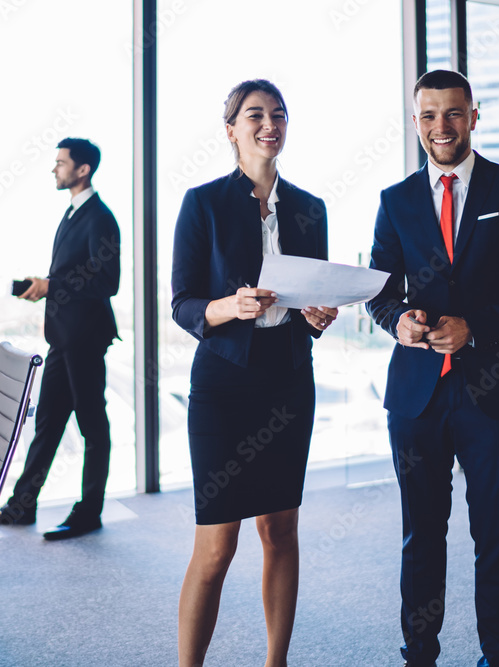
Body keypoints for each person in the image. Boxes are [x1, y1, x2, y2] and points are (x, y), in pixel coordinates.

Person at [366, 70, 499, 667]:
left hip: (494, 394)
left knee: (496, 539)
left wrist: (475, 326)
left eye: (452, 113)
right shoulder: (395, 201)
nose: (440, 127)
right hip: (417, 398)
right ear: (417, 122)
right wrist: (397, 319)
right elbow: (380, 290)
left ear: (474, 116)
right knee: (420, 535)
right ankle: (419, 654)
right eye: (428, 116)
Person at [171, 79, 336, 667]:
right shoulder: (203, 203)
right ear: (231, 129)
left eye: (279, 114)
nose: (270, 123)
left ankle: (276, 662)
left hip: (288, 381)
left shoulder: (311, 208)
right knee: (217, 546)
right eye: (255, 115)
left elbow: (311, 300)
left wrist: (319, 316)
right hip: (223, 386)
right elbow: (183, 302)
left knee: (280, 531)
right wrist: (229, 307)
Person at [0, 137, 121, 541]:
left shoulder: (99, 218)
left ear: (82, 169)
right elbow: (75, 275)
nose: (55, 169)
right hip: (63, 339)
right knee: (48, 423)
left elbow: (107, 281)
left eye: (61, 162)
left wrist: (51, 285)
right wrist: (48, 286)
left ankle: (89, 512)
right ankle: (22, 505)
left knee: (92, 427)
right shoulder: (72, 215)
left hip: (85, 339)